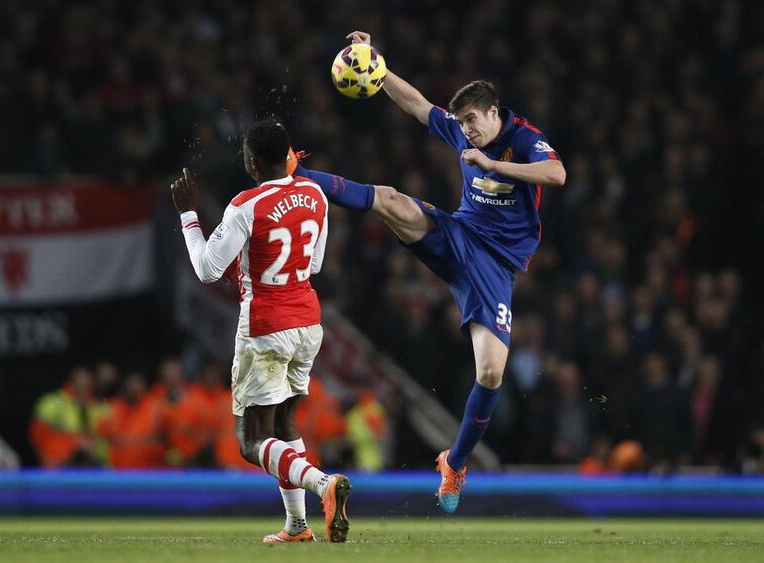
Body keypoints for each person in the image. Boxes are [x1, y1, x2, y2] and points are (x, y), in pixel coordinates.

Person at [291, 30, 566, 513]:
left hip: (496, 266)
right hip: (459, 236)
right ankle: (295, 172)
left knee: (490, 372)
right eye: (462, 124)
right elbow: (419, 106)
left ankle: (454, 462)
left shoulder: (524, 138)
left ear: (494, 112)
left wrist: (496, 167)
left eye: (474, 123)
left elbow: (557, 175)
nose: (468, 132)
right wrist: (376, 66)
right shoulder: (462, 129)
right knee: (392, 202)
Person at [170, 119, 350, 543]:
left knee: (251, 442)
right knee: (286, 422)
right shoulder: (315, 194)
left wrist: (188, 216)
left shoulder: (245, 205)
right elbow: (316, 263)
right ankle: (298, 526)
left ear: (250, 161)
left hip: (266, 326)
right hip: (307, 319)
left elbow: (206, 269)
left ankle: (323, 485)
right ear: (288, 152)